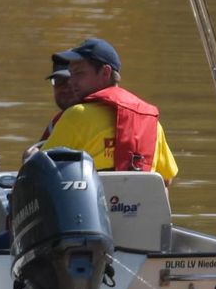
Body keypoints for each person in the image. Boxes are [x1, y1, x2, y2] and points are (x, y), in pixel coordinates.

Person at [40, 37, 178, 183]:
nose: (71, 81)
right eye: (71, 74)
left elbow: (40, 169)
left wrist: (30, 155)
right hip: (142, 205)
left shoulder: (77, 115)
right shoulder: (152, 123)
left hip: (92, 205)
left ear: (105, 72)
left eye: (79, 73)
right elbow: (165, 181)